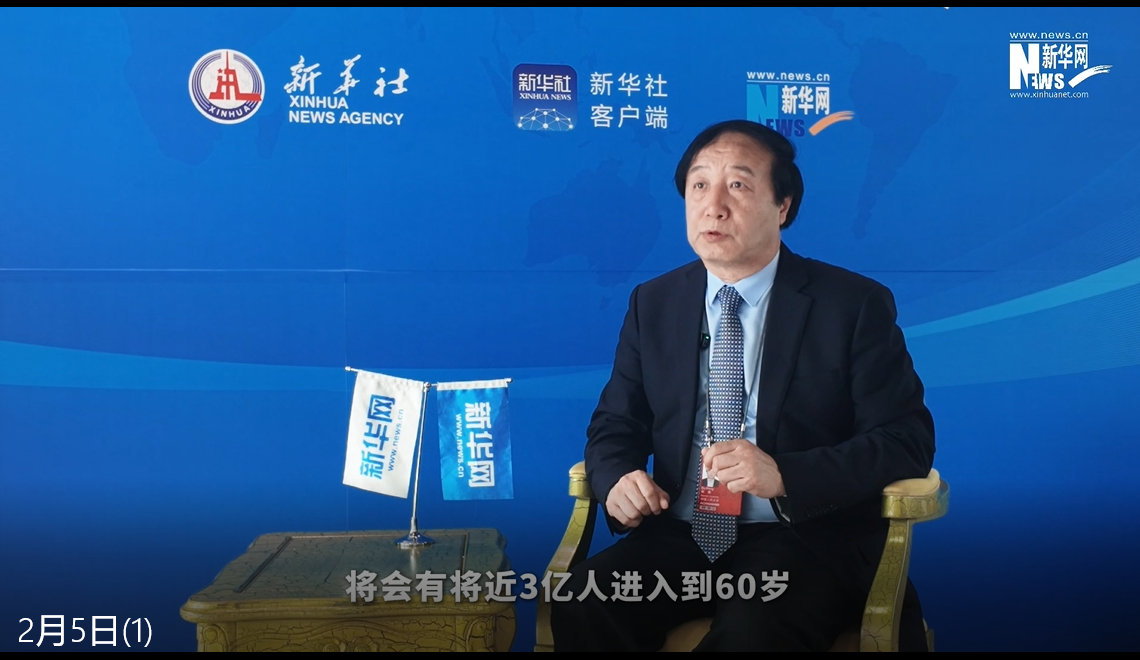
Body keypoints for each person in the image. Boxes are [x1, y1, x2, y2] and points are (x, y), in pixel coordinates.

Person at [550, 119, 935, 651]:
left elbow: (904, 441)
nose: (714, 206)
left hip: (803, 538)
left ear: (783, 206)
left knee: (751, 633)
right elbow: (616, 423)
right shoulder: (654, 303)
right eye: (699, 185)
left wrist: (785, 474)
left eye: (738, 185)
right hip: (682, 532)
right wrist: (617, 479)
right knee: (584, 600)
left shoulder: (850, 305)